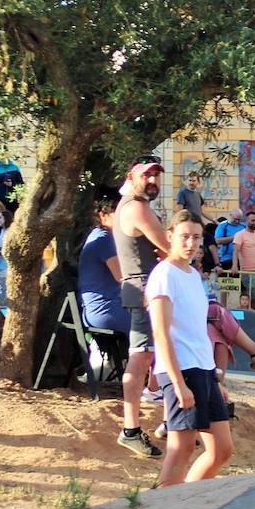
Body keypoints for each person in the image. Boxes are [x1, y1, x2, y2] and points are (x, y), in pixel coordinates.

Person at [146, 210, 233, 487]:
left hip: (203, 369)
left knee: (221, 449)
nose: (191, 243)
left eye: (196, 237)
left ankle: (185, 501)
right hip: (181, 370)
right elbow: (161, 332)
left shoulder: (194, 275)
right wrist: (178, 383)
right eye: (184, 237)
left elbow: (198, 330)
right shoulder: (163, 275)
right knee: (181, 448)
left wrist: (214, 377)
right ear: (170, 237)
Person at [113, 156, 168, 458]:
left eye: (157, 175)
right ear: (131, 176)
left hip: (145, 288)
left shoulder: (132, 205)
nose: (153, 180)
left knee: (158, 353)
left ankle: (171, 421)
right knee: (141, 357)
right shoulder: (136, 207)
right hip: (146, 290)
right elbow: (170, 247)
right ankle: (131, 429)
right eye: (147, 175)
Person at [78, 190, 129, 335]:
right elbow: (123, 277)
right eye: (117, 212)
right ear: (102, 215)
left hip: (108, 307)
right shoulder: (104, 240)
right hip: (105, 310)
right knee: (155, 320)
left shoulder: (105, 237)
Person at [232, 210, 255, 274]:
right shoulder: (240, 234)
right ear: (246, 221)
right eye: (253, 220)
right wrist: (234, 266)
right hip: (248, 271)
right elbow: (235, 252)